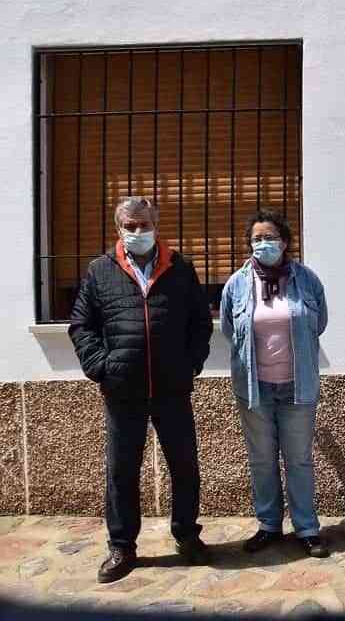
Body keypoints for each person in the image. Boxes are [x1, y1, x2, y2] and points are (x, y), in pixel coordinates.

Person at [68, 196, 213, 584]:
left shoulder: (181, 269)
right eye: (129, 226)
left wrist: (190, 364)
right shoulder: (100, 271)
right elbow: (82, 326)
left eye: (143, 225)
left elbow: (201, 322)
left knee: (184, 466)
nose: (137, 232)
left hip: (172, 389)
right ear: (119, 229)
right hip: (122, 391)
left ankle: (186, 535)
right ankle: (121, 547)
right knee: (121, 471)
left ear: (156, 224)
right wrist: (103, 368)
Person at [220, 209, 330, 558]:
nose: (263, 244)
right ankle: (268, 525)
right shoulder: (236, 284)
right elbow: (228, 330)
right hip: (255, 388)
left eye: (270, 238)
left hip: (298, 387)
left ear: (285, 242)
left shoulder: (307, 280)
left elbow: (319, 323)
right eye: (257, 238)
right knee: (262, 460)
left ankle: (307, 528)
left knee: (298, 460)